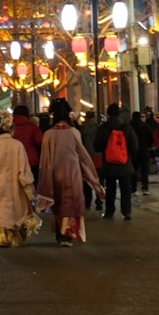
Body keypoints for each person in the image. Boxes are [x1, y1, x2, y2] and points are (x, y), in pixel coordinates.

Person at [37, 99, 105, 246]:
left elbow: (45, 157)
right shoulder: (74, 132)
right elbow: (83, 155)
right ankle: (67, 234)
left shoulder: (48, 134)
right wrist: (91, 175)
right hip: (72, 172)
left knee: (59, 202)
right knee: (71, 202)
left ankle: (59, 232)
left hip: (55, 171)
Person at [0, 112, 36, 247]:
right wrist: (28, 187)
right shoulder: (17, 145)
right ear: (11, 128)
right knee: (15, 211)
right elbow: (24, 169)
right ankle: (13, 237)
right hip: (14, 185)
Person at [94, 103, 138, 220]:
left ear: (108, 114)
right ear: (119, 114)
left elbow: (97, 147)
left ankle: (109, 211)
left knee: (110, 188)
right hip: (124, 164)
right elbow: (134, 146)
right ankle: (126, 212)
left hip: (109, 165)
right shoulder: (127, 128)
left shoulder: (103, 128)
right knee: (125, 189)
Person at [12, 104, 44, 185]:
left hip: (14, 161)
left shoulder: (10, 127)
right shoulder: (31, 126)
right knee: (32, 185)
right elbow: (40, 140)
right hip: (31, 161)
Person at [79, 110, 104, 211]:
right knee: (98, 180)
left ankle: (87, 201)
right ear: (93, 117)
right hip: (97, 156)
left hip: (85, 157)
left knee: (86, 180)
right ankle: (99, 201)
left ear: (86, 117)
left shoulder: (80, 129)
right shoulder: (98, 128)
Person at [130, 110, 154, 196]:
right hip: (144, 151)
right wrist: (148, 145)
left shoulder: (129, 126)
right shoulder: (145, 126)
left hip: (133, 152)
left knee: (133, 170)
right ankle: (145, 187)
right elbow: (151, 138)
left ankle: (133, 188)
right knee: (144, 170)